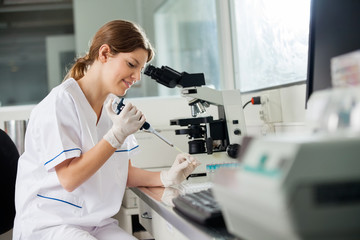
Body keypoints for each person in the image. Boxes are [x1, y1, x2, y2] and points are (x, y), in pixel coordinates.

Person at [13, 19, 200, 240]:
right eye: (131, 65)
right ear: (104, 54)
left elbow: (123, 173)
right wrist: (116, 135)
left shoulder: (113, 107)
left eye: (140, 69)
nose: (137, 77)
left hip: (96, 224)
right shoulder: (60, 103)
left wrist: (166, 177)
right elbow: (69, 179)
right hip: (51, 224)